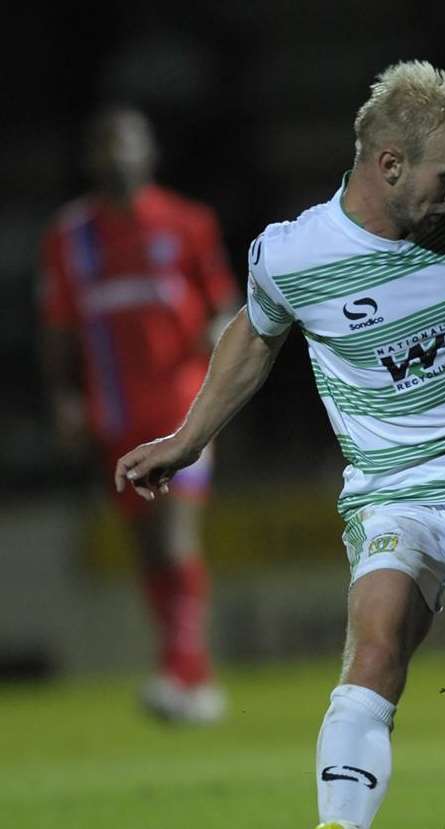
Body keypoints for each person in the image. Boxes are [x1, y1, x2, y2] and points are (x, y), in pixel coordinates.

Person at [114, 61, 445, 829]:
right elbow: (254, 333)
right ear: (388, 165)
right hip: (393, 494)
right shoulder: (293, 254)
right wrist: (188, 437)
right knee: (376, 647)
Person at [39, 106, 238, 723]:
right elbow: (59, 329)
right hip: (114, 418)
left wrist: (216, 334)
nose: (116, 156)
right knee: (149, 549)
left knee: (176, 537)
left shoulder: (187, 224)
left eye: (125, 144)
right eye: (104, 145)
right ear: (91, 157)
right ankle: (196, 680)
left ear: (147, 153)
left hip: (183, 413)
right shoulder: (70, 237)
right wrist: (67, 399)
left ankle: (175, 673)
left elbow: (224, 305)